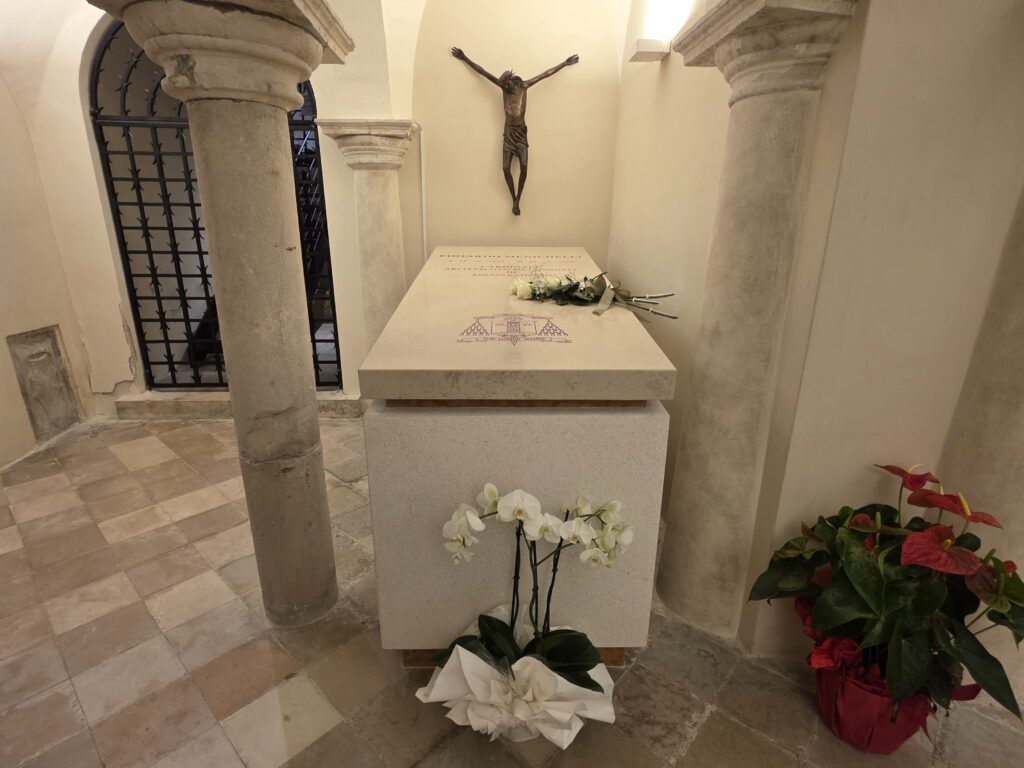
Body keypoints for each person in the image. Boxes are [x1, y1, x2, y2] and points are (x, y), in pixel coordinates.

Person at [451, 47, 579, 215]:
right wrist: (465, 58)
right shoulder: (503, 87)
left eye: (506, 84)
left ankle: (518, 199)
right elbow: (483, 72)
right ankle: (514, 199)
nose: (504, 86)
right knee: (505, 169)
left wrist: (564, 63)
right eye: (502, 85)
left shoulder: (524, 86)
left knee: (524, 167)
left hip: (521, 133)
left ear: (511, 81)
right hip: (508, 133)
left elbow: (545, 74)